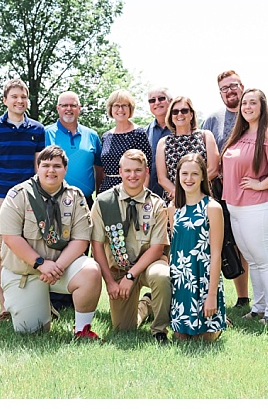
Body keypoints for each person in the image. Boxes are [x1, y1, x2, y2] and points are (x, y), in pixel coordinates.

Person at [0, 145, 102, 338]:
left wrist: (57, 267)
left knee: (91, 270)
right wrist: (40, 264)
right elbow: (10, 238)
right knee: (31, 331)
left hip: (60, 269)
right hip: (26, 272)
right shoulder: (18, 195)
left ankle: (82, 330)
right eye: (45, 165)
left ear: (65, 169)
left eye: (57, 166)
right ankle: (42, 306)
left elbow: (81, 239)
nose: (51, 170)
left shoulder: (75, 197)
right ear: (38, 167)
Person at [221, 88, 268, 325]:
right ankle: (260, 307)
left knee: (266, 261)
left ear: (262, 107)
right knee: (253, 261)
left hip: (260, 206)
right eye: (245, 103)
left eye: (253, 103)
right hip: (237, 206)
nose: (247, 107)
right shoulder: (241, 133)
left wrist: (261, 184)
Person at [0, 78, 48, 320]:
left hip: (29, 197)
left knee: (30, 249)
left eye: (23, 97)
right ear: (5, 100)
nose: (20, 101)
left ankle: (32, 303)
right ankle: (5, 306)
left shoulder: (37, 130)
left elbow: (39, 168)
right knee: (2, 252)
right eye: (15, 97)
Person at [89, 149, 172, 342]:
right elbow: (97, 246)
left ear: (146, 172)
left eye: (138, 170)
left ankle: (159, 330)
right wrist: (110, 282)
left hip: (148, 266)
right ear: (120, 172)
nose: (132, 175)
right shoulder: (104, 202)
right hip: (119, 269)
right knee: (123, 328)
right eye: (128, 170)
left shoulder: (156, 204)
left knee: (162, 275)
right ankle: (146, 304)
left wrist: (131, 275)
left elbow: (157, 248)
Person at [202, 70, 251, 309]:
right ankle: (220, 295)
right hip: (218, 190)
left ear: (242, 86)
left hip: (249, 191)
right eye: (224, 88)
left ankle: (246, 297)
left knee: (246, 243)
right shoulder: (213, 120)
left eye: (233, 86)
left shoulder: (256, 114)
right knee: (223, 242)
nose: (229, 91)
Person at [168, 153, 226, 341]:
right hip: (181, 280)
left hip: (203, 279)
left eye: (194, 174)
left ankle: (218, 320)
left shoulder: (212, 208)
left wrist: (212, 294)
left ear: (202, 176)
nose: (189, 179)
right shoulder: (173, 208)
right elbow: (175, 247)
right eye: (184, 174)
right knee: (180, 337)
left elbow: (216, 254)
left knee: (203, 339)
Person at [156, 97, 220, 201]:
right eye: (175, 112)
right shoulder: (163, 142)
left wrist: (192, 191)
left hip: (201, 198)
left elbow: (213, 169)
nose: (179, 114)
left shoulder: (205, 136)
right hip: (175, 200)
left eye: (184, 110)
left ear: (191, 115)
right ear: (171, 116)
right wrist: (179, 194)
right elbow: (162, 178)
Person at [45, 91, 102, 206]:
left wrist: (99, 197)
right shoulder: (45, 133)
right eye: (64, 105)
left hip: (85, 202)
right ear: (58, 108)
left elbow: (100, 169)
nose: (68, 109)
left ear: (79, 108)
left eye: (73, 105)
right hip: (53, 201)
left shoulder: (92, 135)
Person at [98, 89, 152, 194]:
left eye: (124, 105)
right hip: (107, 190)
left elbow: (146, 170)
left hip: (131, 189)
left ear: (130, 108)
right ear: (111, 109)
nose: (120, 109)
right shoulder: (106, 136)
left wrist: (141, 197)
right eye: (116, 105)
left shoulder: (139, 134)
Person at [143, 87, 173, 197]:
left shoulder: (181, 130)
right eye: (152, 100)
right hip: (151, 195)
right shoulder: (144, 133)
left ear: (170, 101)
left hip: (177, 194)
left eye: (161, 98)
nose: (157, 103)